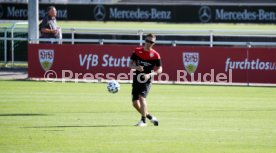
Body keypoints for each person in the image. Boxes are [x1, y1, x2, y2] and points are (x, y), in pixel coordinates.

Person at [129, 33, 163, 127]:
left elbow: (160, 69)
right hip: (136, 79)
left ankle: (143, 121)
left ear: (154, 43)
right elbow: (130, 64)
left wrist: (150, 74)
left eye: (151, 42)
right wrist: (136, 67)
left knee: (142, 97)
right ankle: (150, 117)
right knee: (135, 103)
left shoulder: (156, 55)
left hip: (147, 80)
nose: (148, 43)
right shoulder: (137, 51)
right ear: (144, 41)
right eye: (147, 41)